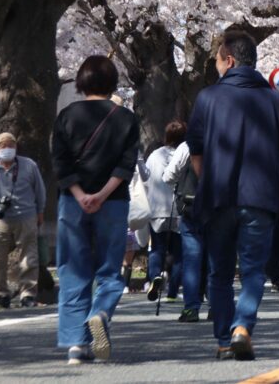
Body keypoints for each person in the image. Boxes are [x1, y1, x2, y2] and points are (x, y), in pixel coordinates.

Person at [187, 30, 279, 361]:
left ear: (230, 60)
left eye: (218, 61)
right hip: (261, 197)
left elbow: (195, 151)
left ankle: (224, 338)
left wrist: (207, 179)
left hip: (218, 197)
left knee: (219, 272)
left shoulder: (207, 98)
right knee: (253, 270)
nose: (216, 67)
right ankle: (242, 327)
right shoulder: (275, 100)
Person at [52, 55, 140, 365]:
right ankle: (101, 312)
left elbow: (60, 161)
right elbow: (126, 165)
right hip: (113, 202)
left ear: (81, 81)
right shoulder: (126, 118)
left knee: (73, 270)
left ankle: (76, 345)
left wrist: (80, 193)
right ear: (113, 82)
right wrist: (102, 194)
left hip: (72, 202)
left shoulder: (67, 115)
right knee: (109, 269)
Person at [0, 132, 46, 309]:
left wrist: (40, 212)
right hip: (1, 219)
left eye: (11, 145)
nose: (7, 149)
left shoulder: (28, 165)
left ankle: (27, 294)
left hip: (27, 216)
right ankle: (2, 293)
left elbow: (40, 190)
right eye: (3, 146)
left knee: (28, 257)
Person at [162, 137, 204, 323]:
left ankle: (191, 308)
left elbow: (168, 176)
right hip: (218, 208)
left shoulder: (187, 146)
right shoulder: (226, 140)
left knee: (192, 259)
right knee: (216, 258)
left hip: (190, 206)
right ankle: (216, 306)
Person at [144, 121, 186, 303]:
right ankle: (172, 292)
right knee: (179, 254)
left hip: (157, 210)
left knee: (157, 249)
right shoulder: (185, 153)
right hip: (179, 210)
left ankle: (155, 276)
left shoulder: (154, 155)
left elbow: (146, 178)